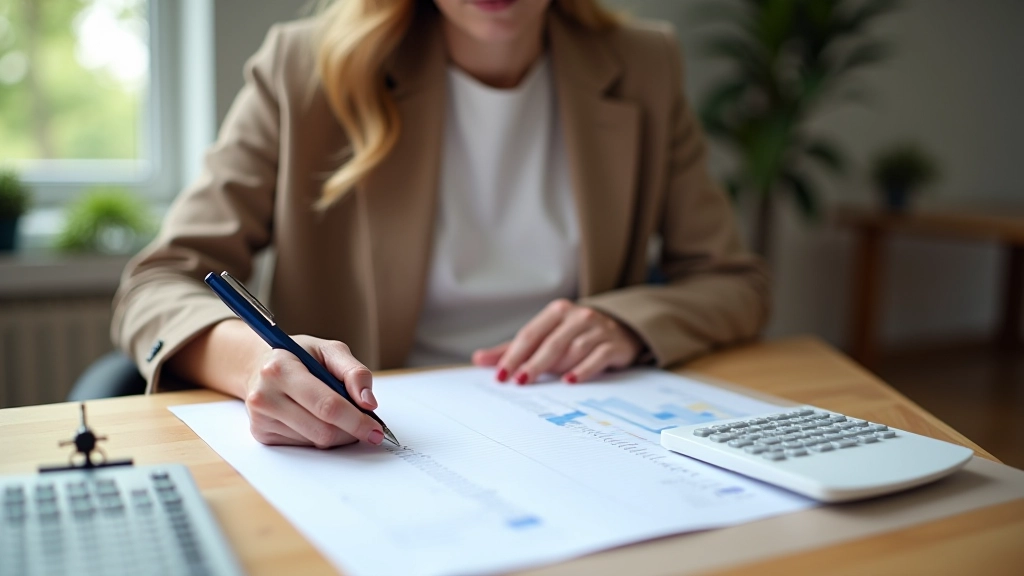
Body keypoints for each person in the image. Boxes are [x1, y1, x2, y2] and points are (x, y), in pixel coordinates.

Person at [112, 0, 768, 449]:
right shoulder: (305, 68)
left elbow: (733, 282)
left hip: (586, 429)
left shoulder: (644, 64)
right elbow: (157, 284)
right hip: (382, 443)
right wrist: (259, 360)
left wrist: (628, 323)